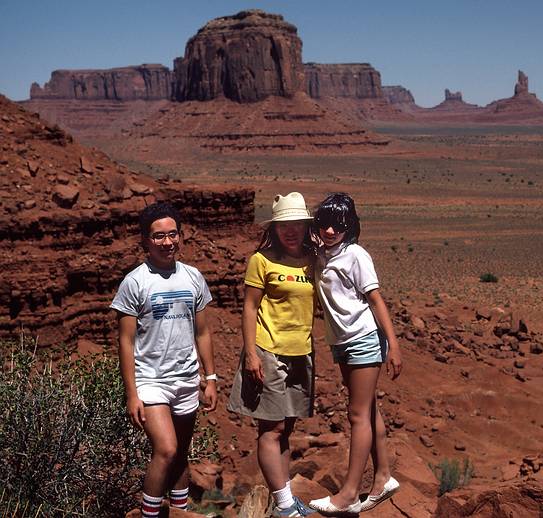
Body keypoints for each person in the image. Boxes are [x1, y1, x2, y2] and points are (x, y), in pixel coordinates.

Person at [111, 201, 218, 518]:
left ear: (181, 236)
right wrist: (132, 393)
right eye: (159, 236)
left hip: (186, 379)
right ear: (145, 240)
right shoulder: (135, 281)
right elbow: (125, 340)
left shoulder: (193, 277)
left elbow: (203, 332)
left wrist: (210, 378)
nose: (167, 242)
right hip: (151, 381)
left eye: (173, 234)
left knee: (181, 454)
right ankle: (150, 515)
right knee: (167, 449)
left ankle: (180, 512)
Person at [308, 193, 402, 515]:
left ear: (351, 226)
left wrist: (394, 346)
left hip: (363, 339)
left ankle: (348, 494)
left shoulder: (355, 255)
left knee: (357, 414)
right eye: (326, 224)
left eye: (339, 225)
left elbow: (375, 300)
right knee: (370, 409)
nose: (332, 231)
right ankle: (384, 476)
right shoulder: (322, 253)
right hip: (342, 343)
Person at [228, 192, 317, 517]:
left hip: (302, 352)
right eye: (284, 225)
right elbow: (250, 307)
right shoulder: (261, 260)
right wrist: (251, 354)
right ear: (275, 228)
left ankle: (286, 501)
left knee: (287, 431)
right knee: (271, 430)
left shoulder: (312, 259)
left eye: (297, 224)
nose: (290, 230)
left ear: (305, 226)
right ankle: (285, 506)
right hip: (268, 350)